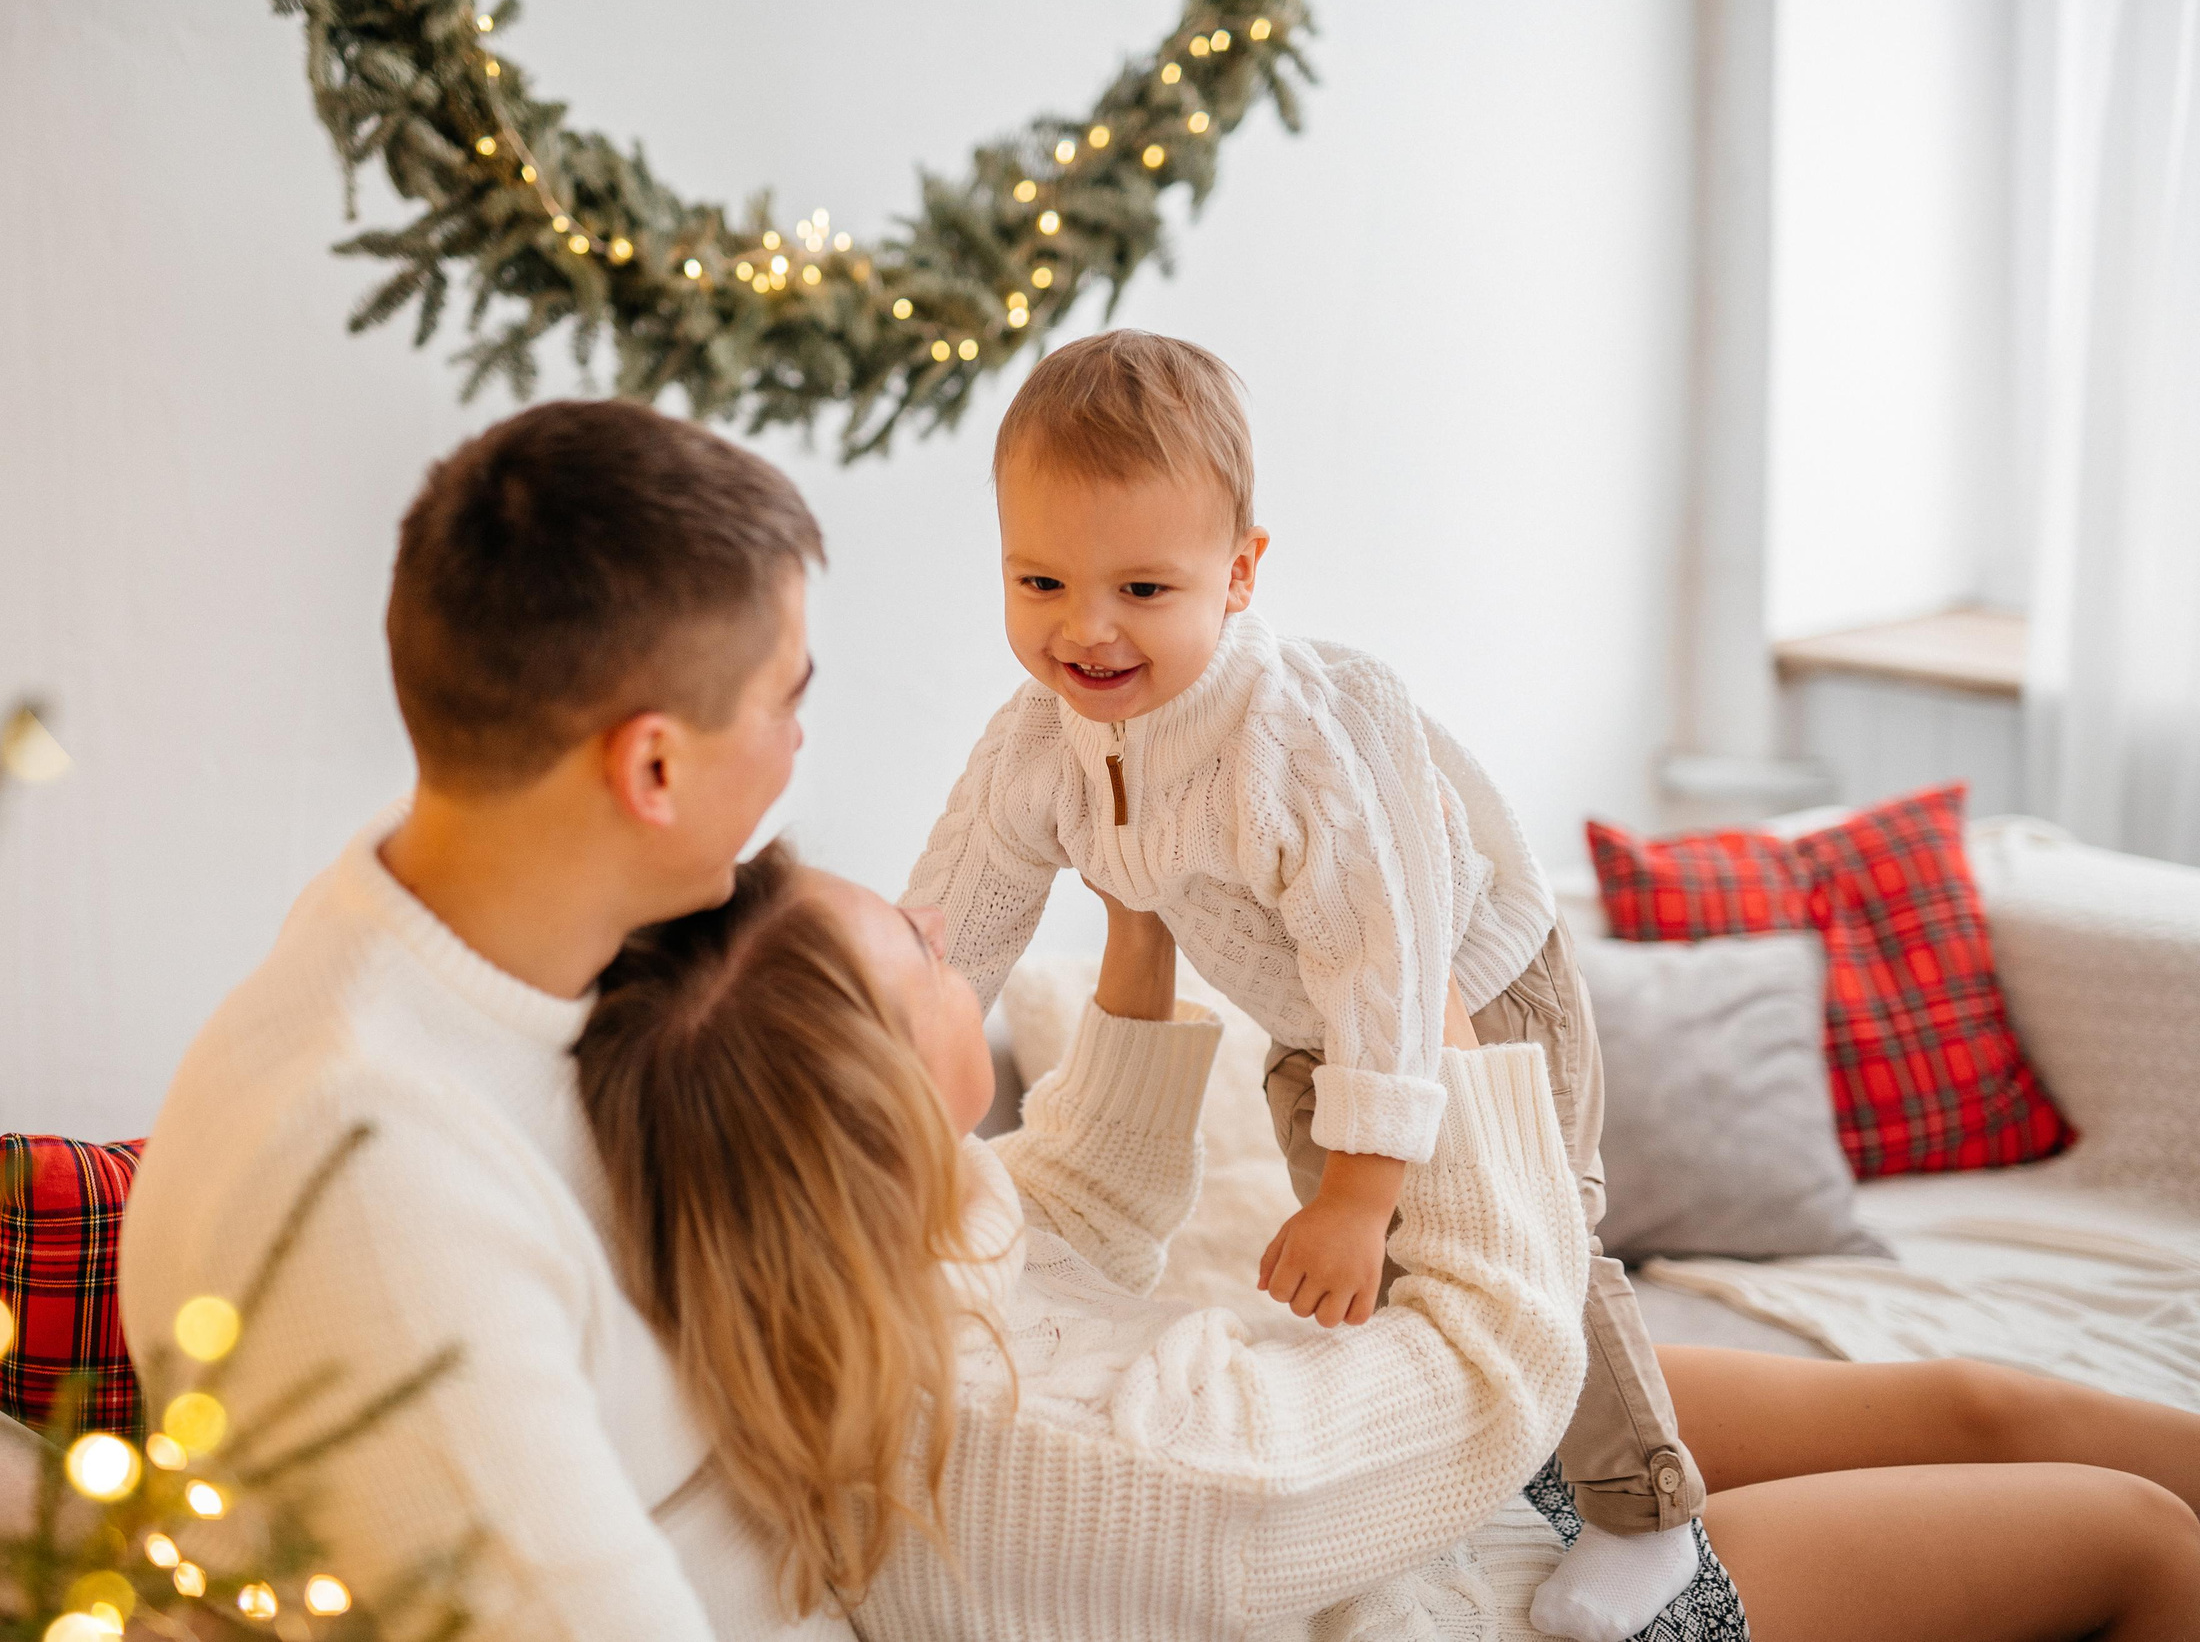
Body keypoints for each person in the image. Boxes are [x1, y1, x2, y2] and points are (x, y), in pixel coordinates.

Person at [578, 848, 2200, 1642]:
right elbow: (1501, 1354)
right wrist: (1413, 1022)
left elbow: (1076, 1200)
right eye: (924, 953)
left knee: (1986, 1403)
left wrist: (1137, 923)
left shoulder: (881, 1258)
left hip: (1437, 1476)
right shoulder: (1065, 1459)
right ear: (872, 1093)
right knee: (2130, 1537)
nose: (959, 944)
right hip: (1498, 1596)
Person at [900, 329, 1696, 1637]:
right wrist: (881, 1080)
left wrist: (1363, 1184)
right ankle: (1452, 1478)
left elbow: (1387, 954)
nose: (1085, 627)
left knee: (1537, 1236)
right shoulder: (1036, 742)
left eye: (1145, 588)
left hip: (1474, 990)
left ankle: (1641, 1506)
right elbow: (952, 926)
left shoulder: (1302, 735)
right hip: (1313, 1023)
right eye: (1039, 578)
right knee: (1374, 1287)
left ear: (1242, 572)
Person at [119, 401, 842, 1641]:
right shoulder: (374, 1197)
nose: (798, 744)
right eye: (787, 700)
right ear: (652, 769)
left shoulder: (448, 936)